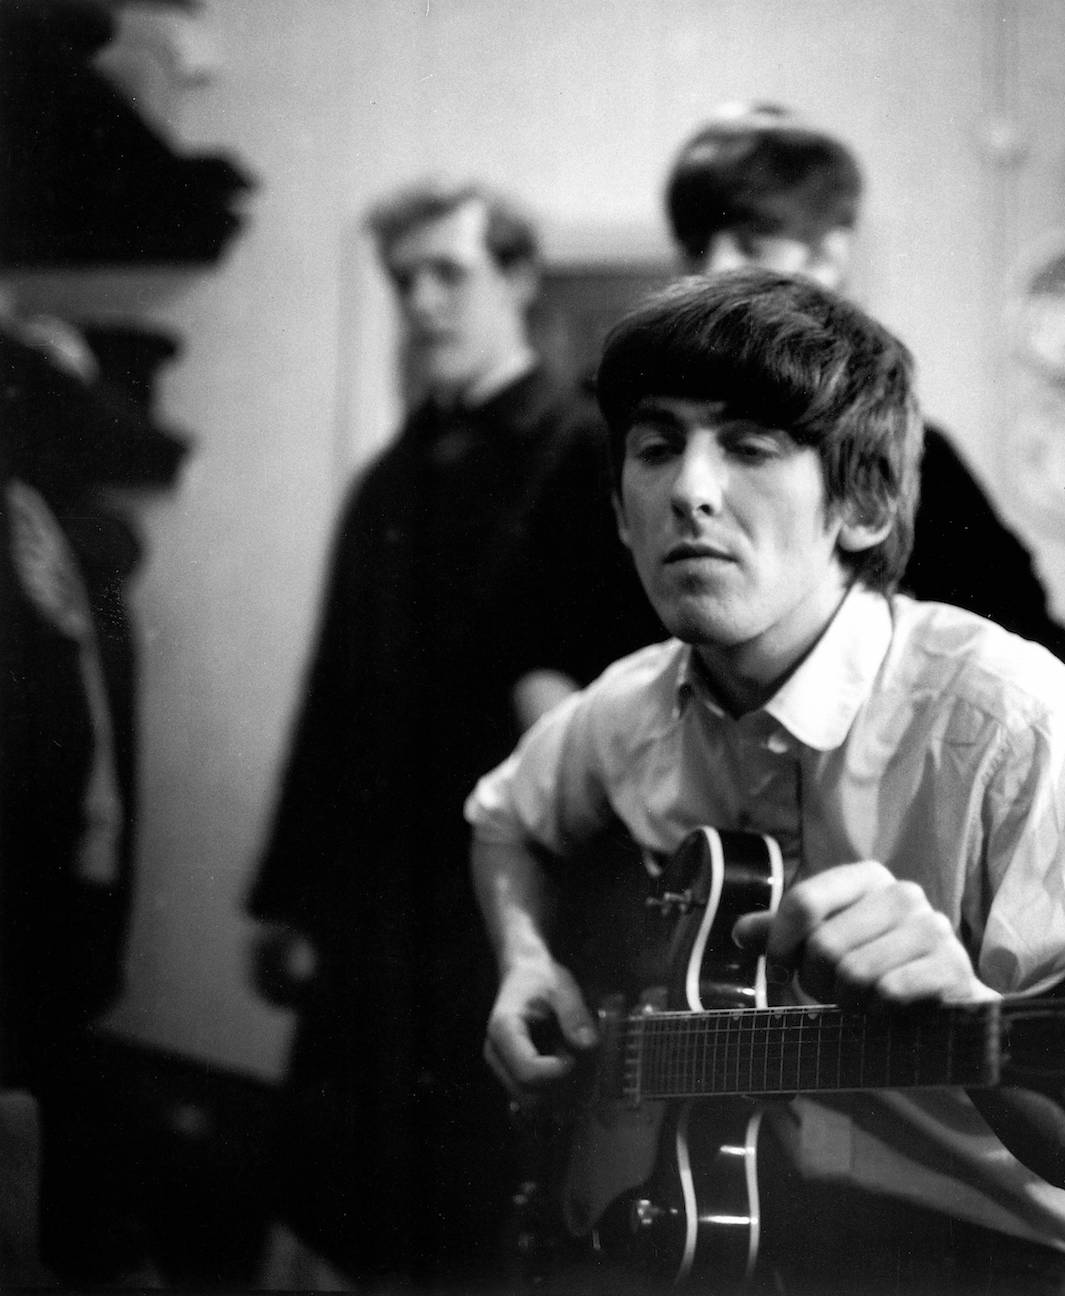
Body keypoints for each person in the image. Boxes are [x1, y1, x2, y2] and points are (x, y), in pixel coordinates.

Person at [467, 270, 1065, 1295]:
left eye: (748, 445)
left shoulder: (1011, 720)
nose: (689, 488)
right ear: (617, 510)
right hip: (757, 1232)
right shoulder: (630, 707)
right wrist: (524, 961)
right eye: (656, 447)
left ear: (862, 505)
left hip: (1027, 1254)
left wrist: (964, 1013)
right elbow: (504, 820)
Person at [660, 102, 1065, 836]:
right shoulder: (613, 449)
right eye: (693, 244)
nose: (712, 272)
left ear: (830, 257)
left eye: (748, 241)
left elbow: (1038, 648)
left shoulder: (909, 460)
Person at [243, 179, 650, 1289]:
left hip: (511, 896)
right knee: (356, 1205)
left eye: (450, 274)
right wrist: (286, 897)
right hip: (372, 906)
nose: (423, 301)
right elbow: (331, 700)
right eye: (404, 279)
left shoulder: (583, 453)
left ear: (516, 279)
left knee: (488, 1208)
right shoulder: (389, 477)